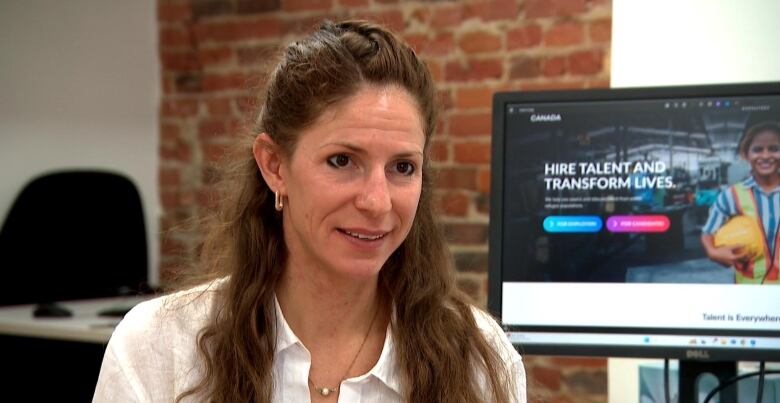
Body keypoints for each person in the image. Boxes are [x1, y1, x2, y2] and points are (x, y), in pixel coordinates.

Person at [93, 20, 527, 402]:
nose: (377, 202)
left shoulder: (480, 358)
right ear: (275, 166)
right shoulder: (158, 347)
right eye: (342, 161)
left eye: (402, 167)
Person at [701, 121, 780, 284]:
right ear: (746, 154)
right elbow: (708, 231)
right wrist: (712, 252)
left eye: (774, 149)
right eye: (758, 149)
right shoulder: (731, 195)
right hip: (748, 292)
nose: (765, 156)